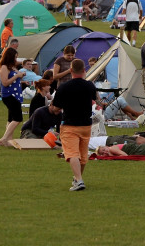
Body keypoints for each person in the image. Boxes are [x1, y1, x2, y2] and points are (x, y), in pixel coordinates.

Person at [50, 58, 97, 191]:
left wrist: (55, 108)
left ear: (70, 70)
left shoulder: (64, 87)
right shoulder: (90, 86)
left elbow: (56, 108)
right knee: (82, 155)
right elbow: (93, 99)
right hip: (86, 125)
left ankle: (79, 180)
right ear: (84, 70)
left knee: (72, 154)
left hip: (70, 124)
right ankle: (77, 179)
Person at [0, 47, 26, 147]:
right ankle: (4, 138)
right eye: (15, 57)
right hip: (9, 95)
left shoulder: (12, 67)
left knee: (11, 118)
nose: (16, 60)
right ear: (10, 57)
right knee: (18, 118)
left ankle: (9, 140)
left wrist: (20, 76)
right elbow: (5, 83)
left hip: (16, 95)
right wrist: (17, 76)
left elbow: (15, 77)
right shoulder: (4, 67)